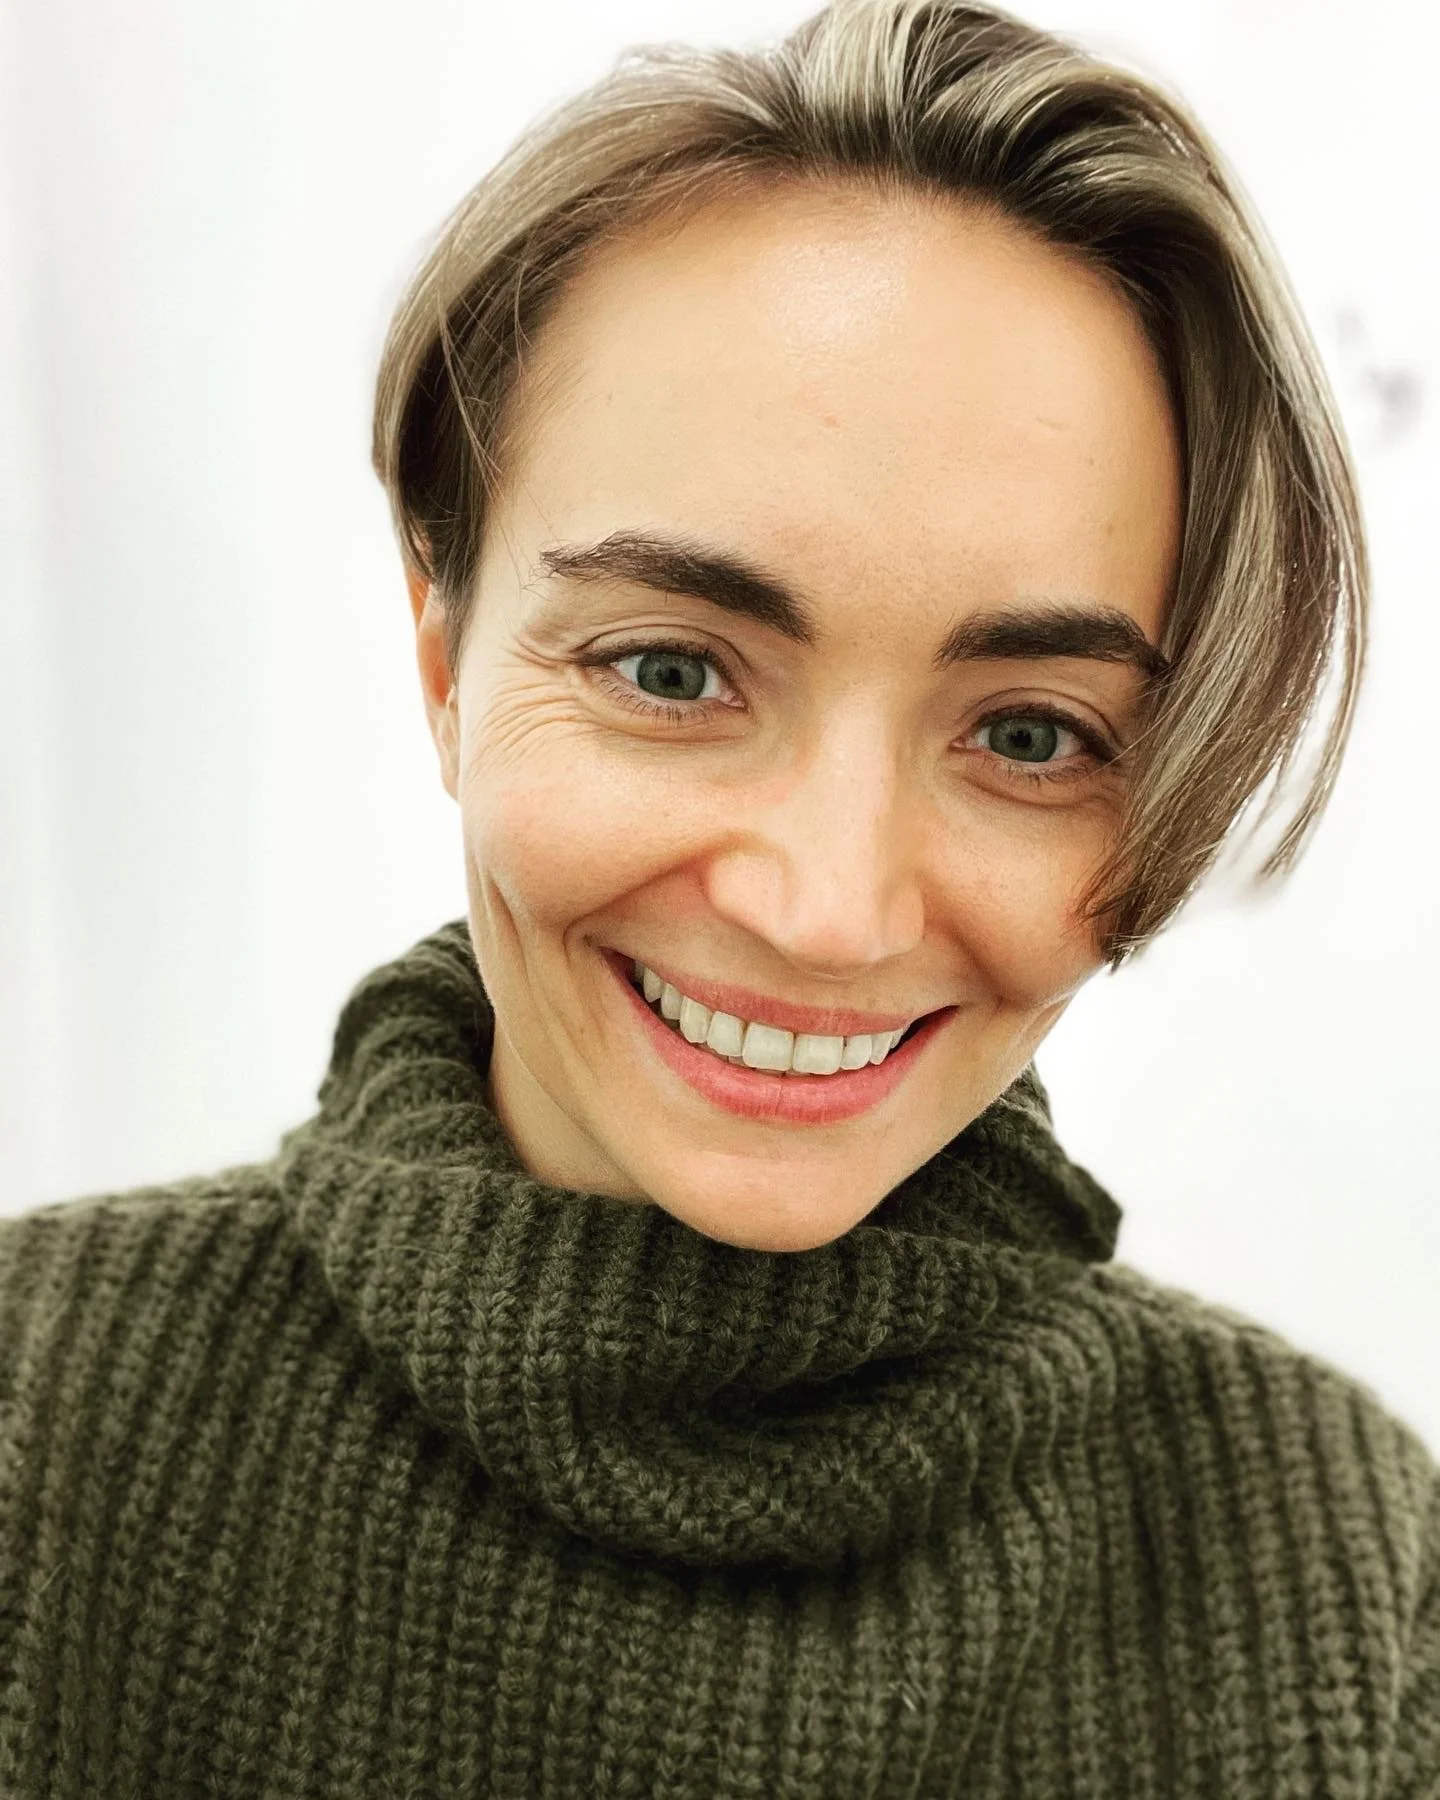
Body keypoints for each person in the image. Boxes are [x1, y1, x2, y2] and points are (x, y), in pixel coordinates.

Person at [1, 1, 1435, 1794]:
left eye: (1030, 731)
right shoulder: (32, 1436)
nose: (828, 909)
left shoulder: (1355, 1576)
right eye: (675, 673)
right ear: (445, 654)